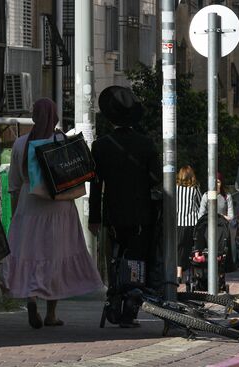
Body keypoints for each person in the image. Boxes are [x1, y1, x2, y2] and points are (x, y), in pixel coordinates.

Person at [0, 98, 103, 329]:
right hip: (59, 207)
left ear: (34, 116)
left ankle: (31, 299)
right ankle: (51, 313)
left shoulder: (20, 144)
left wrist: (17, 215)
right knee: (55, 257)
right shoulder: (62, 141)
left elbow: (14, 184)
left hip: (29, 206)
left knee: (31, 254)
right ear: (55, 115)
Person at [89, 85, 161, 328]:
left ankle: (114, 299)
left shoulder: (100, 146)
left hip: (112, 214)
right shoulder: (146, 144)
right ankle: (131, 306)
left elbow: (97, 185)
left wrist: (94, 218)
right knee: (136, 260)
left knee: (114, 258)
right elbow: (156, 179)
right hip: (142, 215)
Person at [176, 165, 201, 283]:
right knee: (194, 248)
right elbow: (200, 205)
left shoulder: (175, 189)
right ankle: (195, 272)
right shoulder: (194, 189)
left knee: (179, 248)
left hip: (178, 223)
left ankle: (178, 273)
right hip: (192, 223)